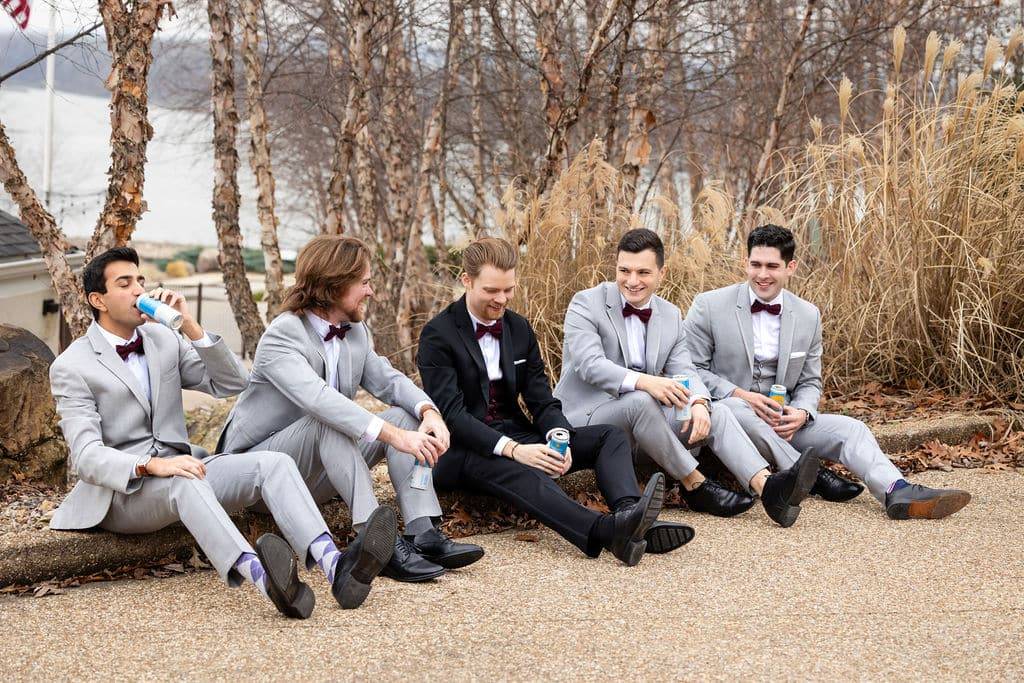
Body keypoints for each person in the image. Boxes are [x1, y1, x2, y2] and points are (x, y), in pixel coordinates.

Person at [49, 247, 397, 618]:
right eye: (125, 283)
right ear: (97, 299)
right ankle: (268, 581)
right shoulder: (72, 366)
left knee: (273, 463)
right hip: (124, 493)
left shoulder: (163, 340)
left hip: (186, 469)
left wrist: (191, 328)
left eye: (141, 281)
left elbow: (232, 382)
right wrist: (152, 465)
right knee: (185, 481)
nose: (139, 291)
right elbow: (86, 457)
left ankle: (335, 566)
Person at [220, 235, 483, 582]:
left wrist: (428, 412)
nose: (371, 291)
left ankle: (423, 532)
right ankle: (376, 542)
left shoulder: (355, 330)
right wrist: (393, 437)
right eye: (364, 283)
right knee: (331, 420)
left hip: (320, 466)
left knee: (406, 416)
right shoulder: (282, 336)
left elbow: (388, 379)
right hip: (262, 473)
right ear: (333, 286)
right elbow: (319, 400)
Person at [684, 224, 971, 520]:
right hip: (730, 417)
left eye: (772, 266)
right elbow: (689, 368)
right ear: (746, 263)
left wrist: (802, 413)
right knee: (735, 408)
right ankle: (813, 475)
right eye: (755, 264)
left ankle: (897, 491)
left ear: (790, 267)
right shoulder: (709, 305)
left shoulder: (808, 315)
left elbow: (810, 381)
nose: (762, 275)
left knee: (851, 429)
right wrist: (741, 394)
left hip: (782, 425)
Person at [417, 237, 668, 566]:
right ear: (467, 280)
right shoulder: (438, 334)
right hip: (463, 448)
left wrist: (557, 437)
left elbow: (541, 400)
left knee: (609, 436)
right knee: (524, 469)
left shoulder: (519, 328)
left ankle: (630, 515)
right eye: (492, 290)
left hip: (516, 432)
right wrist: (516, 450)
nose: (501, 299)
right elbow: (454, 416)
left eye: (508, 289)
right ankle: (605, 532)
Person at [555, 228, 823, 528]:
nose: (632, 281)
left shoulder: (670, 315)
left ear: (661, 273)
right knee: (642, 400)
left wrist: (698, 401)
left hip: (646, 431)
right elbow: (590, 365)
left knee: (716, 411)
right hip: (588, 421)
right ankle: (694, 483)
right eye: (624, 271)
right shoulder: (586, 303)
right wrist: (646, 381)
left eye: (643, 272)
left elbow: (686, 370)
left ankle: (768, 488)